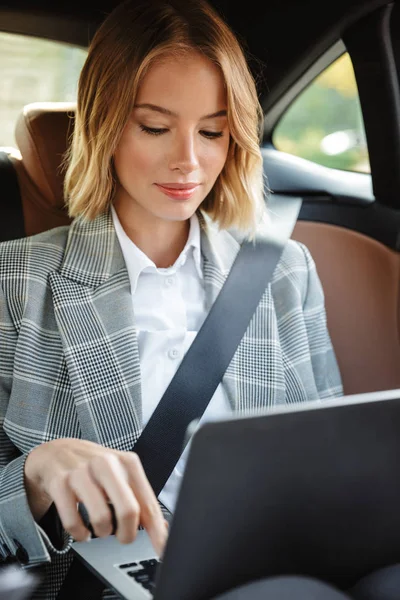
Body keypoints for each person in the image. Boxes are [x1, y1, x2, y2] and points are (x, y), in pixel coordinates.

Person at [0, 0, 346, 598]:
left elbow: (333, 459)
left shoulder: (284, 271)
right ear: (104, 125)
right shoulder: (16, 282)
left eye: (212, 131)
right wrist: (33, 476)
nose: (189, 159)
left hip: (268, 562)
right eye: (155, 127)